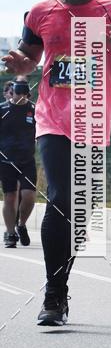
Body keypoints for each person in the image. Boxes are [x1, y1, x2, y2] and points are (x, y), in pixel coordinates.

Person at [1, 0, 111, 326]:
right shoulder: (40, 12)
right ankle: (54, 294)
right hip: (53, 120)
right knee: (63, 198)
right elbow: (29, 59)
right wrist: (21, 64)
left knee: (82, 211)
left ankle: (58, 285)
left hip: (94, 121)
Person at [0, 78, 36, 247]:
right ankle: (10, 233)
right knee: (10, 196)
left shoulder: (35, 110)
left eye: (24, 93)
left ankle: (21, 225)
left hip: (27, 159)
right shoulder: (2, 110)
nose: (20, 97)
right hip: (6, 160)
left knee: (29, 195)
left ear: (28, 94)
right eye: (17, 93)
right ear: (11, 93)